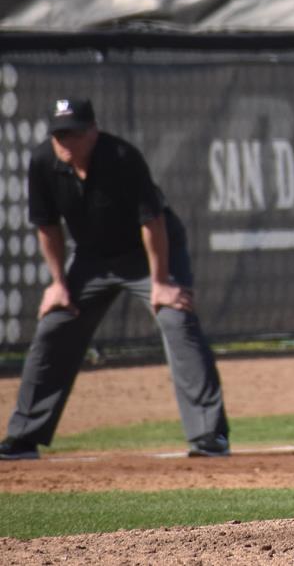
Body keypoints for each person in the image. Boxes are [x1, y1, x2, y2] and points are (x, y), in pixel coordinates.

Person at [1, 98, 230, 460]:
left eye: (73, 133)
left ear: (93, 131)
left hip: (148, 253)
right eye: (59, 134)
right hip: (92, 259)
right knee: (54, 325)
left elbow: (152, 223)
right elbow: (47, 226)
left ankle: (209, 436)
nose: (65, 142)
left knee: (176, 317)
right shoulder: (43, 161)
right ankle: (24, 436)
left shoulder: (122, 158)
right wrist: (58, 283)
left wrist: (160, 284)